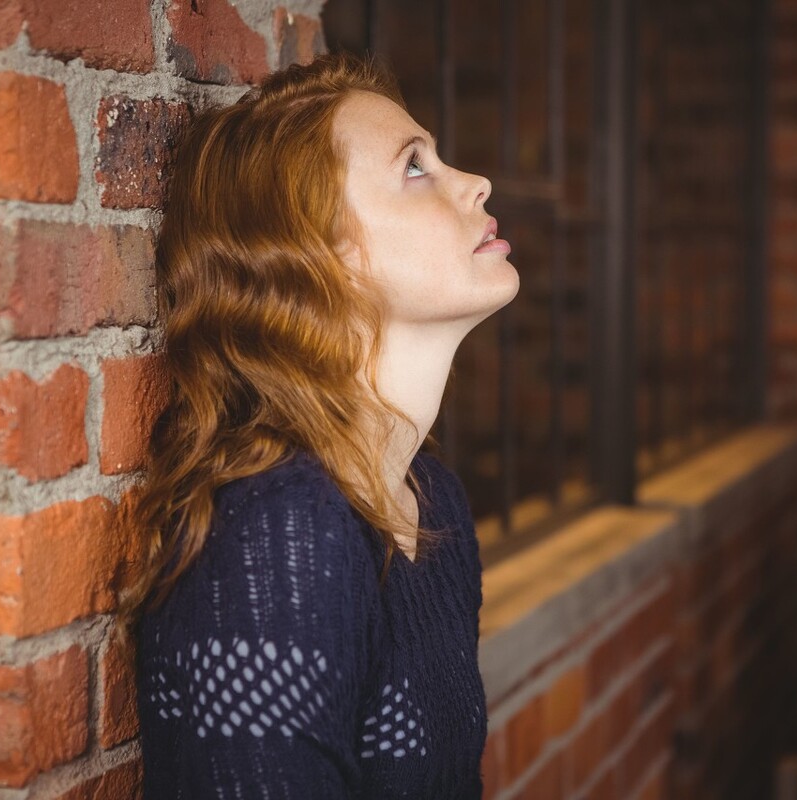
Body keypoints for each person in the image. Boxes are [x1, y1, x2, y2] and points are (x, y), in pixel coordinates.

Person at [122, 50, 519, 798]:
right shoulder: (279, 529)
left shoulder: (433, 498)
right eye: (414, 167)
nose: (476, 182)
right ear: (322, 256)